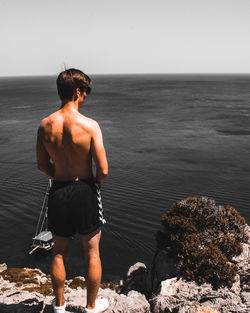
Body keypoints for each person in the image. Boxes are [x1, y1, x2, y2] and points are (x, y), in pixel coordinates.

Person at [36, 68, 109, 313]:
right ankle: (90, 307)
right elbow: (104, 169)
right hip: (85, 189)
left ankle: (59, 307)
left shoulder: (45, 125)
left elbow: (41, 164)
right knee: (92, 254)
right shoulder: (90, 126)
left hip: (58, 190)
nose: (86, 96)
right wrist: (94, 185)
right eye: (85, 92)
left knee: (58, 253)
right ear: (77, 92)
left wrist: (57, 177)